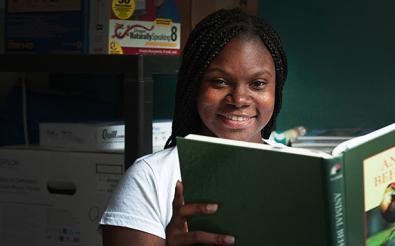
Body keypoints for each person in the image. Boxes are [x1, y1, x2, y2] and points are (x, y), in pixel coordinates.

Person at [100, 8, 288, 245]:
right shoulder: (151, 178)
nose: (239, 99)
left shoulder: (301, 173)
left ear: (276, 90)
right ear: (194, 85)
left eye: (258, 83)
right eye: (219, 81)